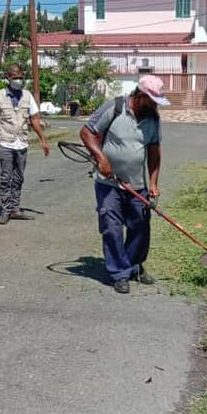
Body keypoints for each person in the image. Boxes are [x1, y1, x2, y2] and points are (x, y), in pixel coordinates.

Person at [80, 75, 170, 294]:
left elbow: (154, 152)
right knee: (112, 227)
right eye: (152, 101)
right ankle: (119, 272)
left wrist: (153, 183)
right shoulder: (116, 107)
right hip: (108, 183)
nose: (154, 106)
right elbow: (86, 132)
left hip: (136, 184)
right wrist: (101, 158)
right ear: (140, 96)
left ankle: (133, 266)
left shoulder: (152, 119)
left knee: (140, 225)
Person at [0, 64, 50, 225]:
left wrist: (43, 139)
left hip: (22, 143)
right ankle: (5, 209)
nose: (19, 80)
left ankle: (15, 208)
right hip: (6, 143)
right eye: (15, 78)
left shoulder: (27, 96)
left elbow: (34, 119)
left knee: (19, 177)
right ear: (8, 78)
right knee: (6, 177)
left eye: (21, 77)